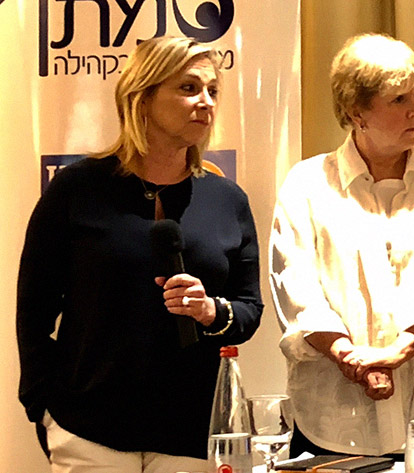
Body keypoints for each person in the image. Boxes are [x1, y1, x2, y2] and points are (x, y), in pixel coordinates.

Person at [16, 36, 263, 472]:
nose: (205, 102)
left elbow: (248, 310)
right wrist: (44, 405)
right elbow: (33, 311)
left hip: (193, 432)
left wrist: (210, 311)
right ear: (143, 98)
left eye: (212, 91)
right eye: (188, 88)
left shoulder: (227, 199)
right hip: (90, 431)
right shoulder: (76, 190)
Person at [270, 33, 414, 463]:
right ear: (357, 112)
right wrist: (350, 356)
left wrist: (395, 352)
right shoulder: (307, 184)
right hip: (334, 423)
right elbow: (295, 289)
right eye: (398, 99)